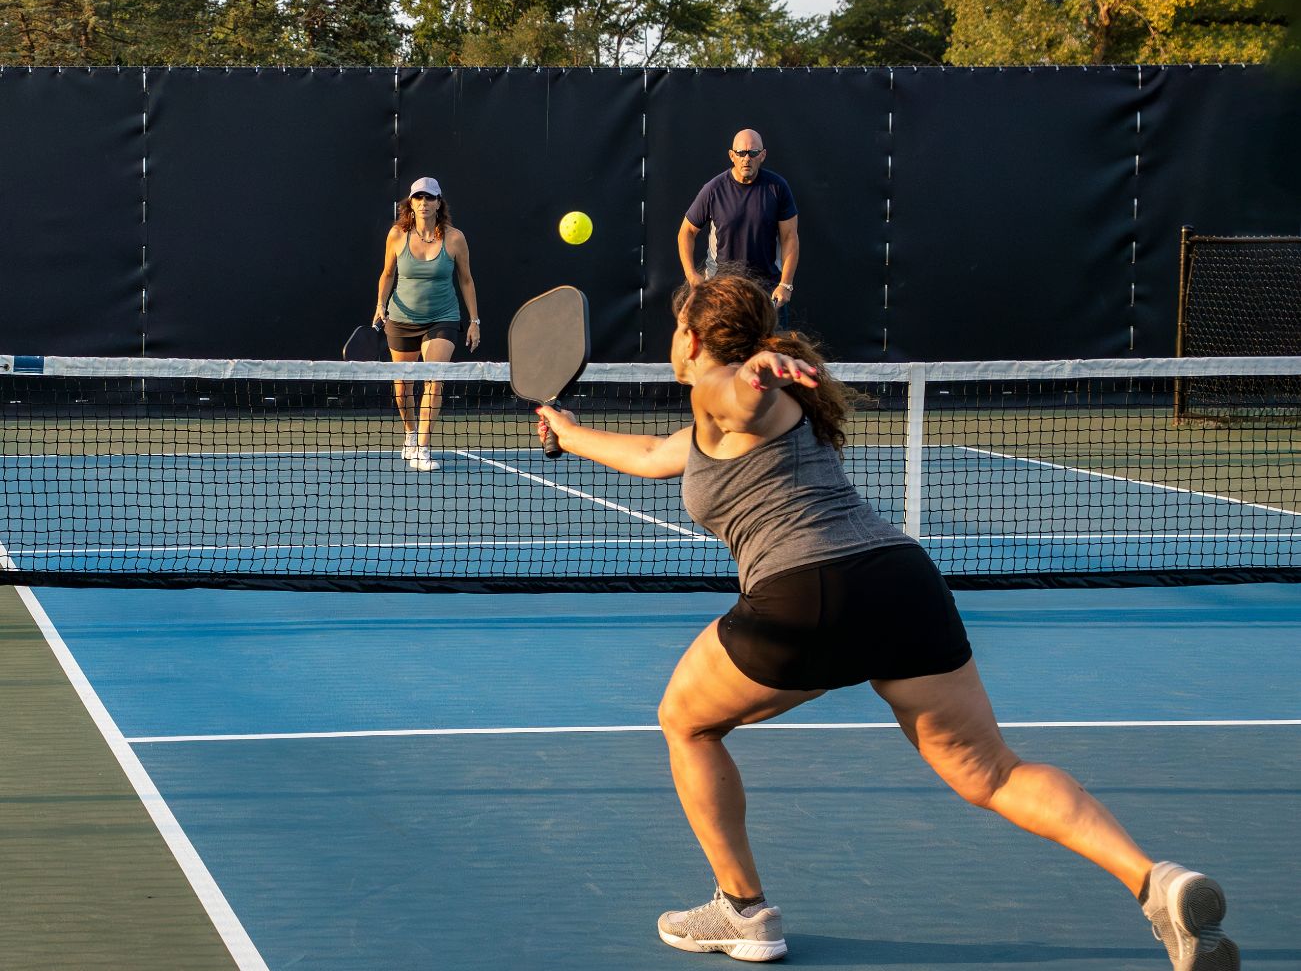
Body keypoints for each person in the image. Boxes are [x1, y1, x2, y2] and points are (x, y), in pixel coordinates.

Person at [536, 274, 1239, 970]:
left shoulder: (727, 392)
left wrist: (755, 370)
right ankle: (1154, 881)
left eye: (676, 329)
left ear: (692, 340)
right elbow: (652, 456)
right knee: (991, 773)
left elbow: (737, 394)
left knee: (685, 723)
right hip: (902, 585)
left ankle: (741, 910)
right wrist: (567, 434)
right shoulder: (720, 428)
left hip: (806, 595)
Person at [373, 177, 481, 472]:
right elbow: (387, 274)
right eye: (418, 197)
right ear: (410, 203)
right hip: (401, 319)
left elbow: (466, 280)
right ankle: (410, 434)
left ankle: (422, 447)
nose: (423, 203)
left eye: (429, 198)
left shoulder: (455, 238)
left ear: (438, 203)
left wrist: (474, 321)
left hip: (443, 317)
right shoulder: (397, 235)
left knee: (434, 379)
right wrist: (380, 305)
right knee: (402, 387)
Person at [678, 129, 799, 329]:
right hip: (722, 294)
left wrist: (785, 284)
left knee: (773, 348)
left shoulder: (777, 188)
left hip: (768, 296)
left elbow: (789, 237)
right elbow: (686, 232)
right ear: (731, 155)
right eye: (741, 153)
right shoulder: (714, 189)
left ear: (763, 155)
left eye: (753, 153)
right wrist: (692, 275)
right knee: (722, 348)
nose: (746, 158)